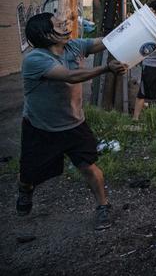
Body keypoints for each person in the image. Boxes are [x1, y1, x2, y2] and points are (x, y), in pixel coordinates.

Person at [17, 12, 129, 230]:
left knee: (89, 167)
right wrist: (107, 68)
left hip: (74, 124)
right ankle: (25, 189)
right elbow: (70, 76)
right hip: (41, 128)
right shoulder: (35, 60)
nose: (66, 26)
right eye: (59, 25)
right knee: (29, 174)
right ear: (46, 35)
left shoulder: (74, 46)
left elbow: (106, 41)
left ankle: (103, 206)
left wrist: (132, 27)